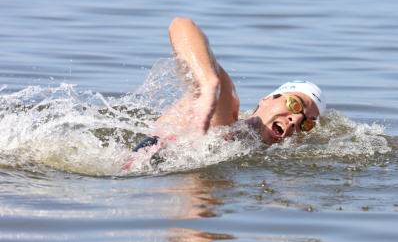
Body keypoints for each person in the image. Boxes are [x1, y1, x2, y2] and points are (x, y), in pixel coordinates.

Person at [133, 17, 326, 153]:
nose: (295, 120)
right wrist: (209, 83)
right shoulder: (225, 112)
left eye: (306, 124)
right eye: (295, 104)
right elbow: (180, 25)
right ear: (267, 99)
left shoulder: (251, 153)